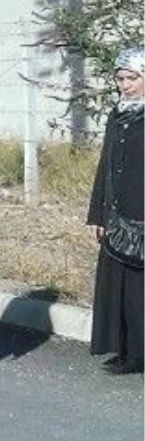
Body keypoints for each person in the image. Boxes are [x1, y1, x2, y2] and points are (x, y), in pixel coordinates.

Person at [87, 46, 145, 375]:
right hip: (116, 213)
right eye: (120, 78)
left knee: (139, 289)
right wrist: (97, 214)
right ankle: (127, 351)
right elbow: (105, 165)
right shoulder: (118, 115)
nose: (124, 85)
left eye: (132, 78)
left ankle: (139, 354)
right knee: (119, 286)